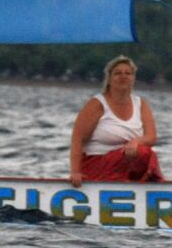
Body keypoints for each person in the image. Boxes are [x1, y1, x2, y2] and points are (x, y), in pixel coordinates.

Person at [68, 55, 162, 187]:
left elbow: (151, 137)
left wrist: (135, 141)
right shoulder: (97, 104)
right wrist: (75, 172)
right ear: (109, 79)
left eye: (127, 73)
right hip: (97, 162)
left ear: (133, 78)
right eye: (118, 73)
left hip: (127, 163)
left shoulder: (140, 103)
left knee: (146, 153)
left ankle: (149, 187)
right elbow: (77, 139)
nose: (123, 76)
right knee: (142, 153)